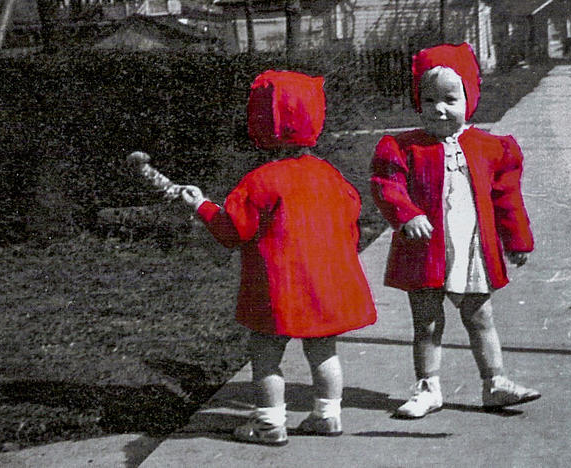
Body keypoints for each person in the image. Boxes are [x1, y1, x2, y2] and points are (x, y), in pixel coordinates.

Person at [180, 70, 377, 445]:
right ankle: (327, 414)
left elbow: (232, 230)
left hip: (278, 288)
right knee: (324, 351)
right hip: (323, 287)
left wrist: (202, 206)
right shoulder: (330, 176)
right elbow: (351, 222)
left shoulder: (259, 181)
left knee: (265, 352)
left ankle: (270, 423)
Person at [370, 42, 540, 419]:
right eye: (428, 100)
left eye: (449, 98)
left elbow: (506, 198)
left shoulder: (491, 147)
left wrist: (517, 241)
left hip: (470, 249)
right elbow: (387, 184)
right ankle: (428, 387)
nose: (439, 108)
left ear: (470, 97)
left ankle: (495, 382)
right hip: (425, 249)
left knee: (481, 317)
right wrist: (406, 214)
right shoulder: (403, 147)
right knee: (427, 323)